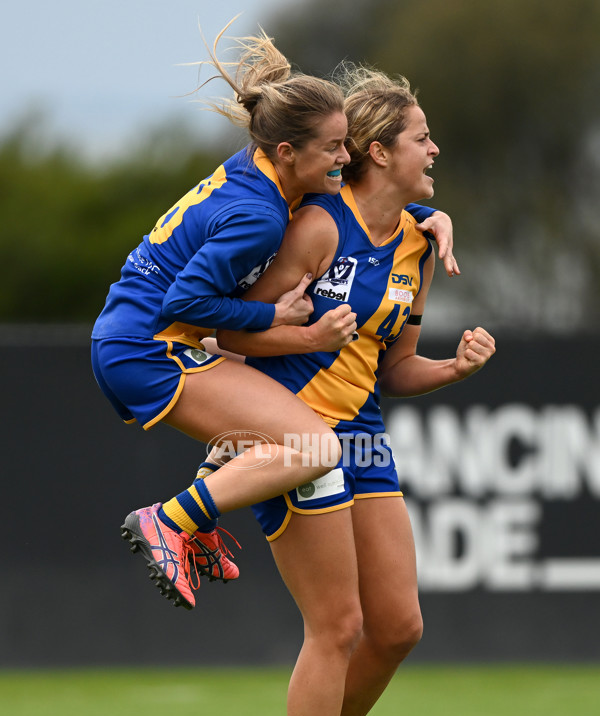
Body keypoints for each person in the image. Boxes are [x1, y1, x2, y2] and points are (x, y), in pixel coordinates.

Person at [213, 65, 496, 716]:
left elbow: (394, 367)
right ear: (379, 150)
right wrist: (253, 405)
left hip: (362, 435)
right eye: (421, 137)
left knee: (399, 625)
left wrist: (452, 370)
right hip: (296, 438)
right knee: (335, 628)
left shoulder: (417, 241)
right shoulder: (317, 228)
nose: (434, 147)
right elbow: (238, 336)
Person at [91, 22, 456, 611]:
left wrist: (418, 209)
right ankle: (171, 519)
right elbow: (182, 304)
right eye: (335, 148)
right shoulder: (263, 216)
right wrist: (289, 324)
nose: (347, 156)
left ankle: (199, 524)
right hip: (147, 347)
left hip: (135, 340)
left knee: (271, 437)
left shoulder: (264, 170)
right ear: (288, 151)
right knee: (313, 446)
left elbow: (355, 199)